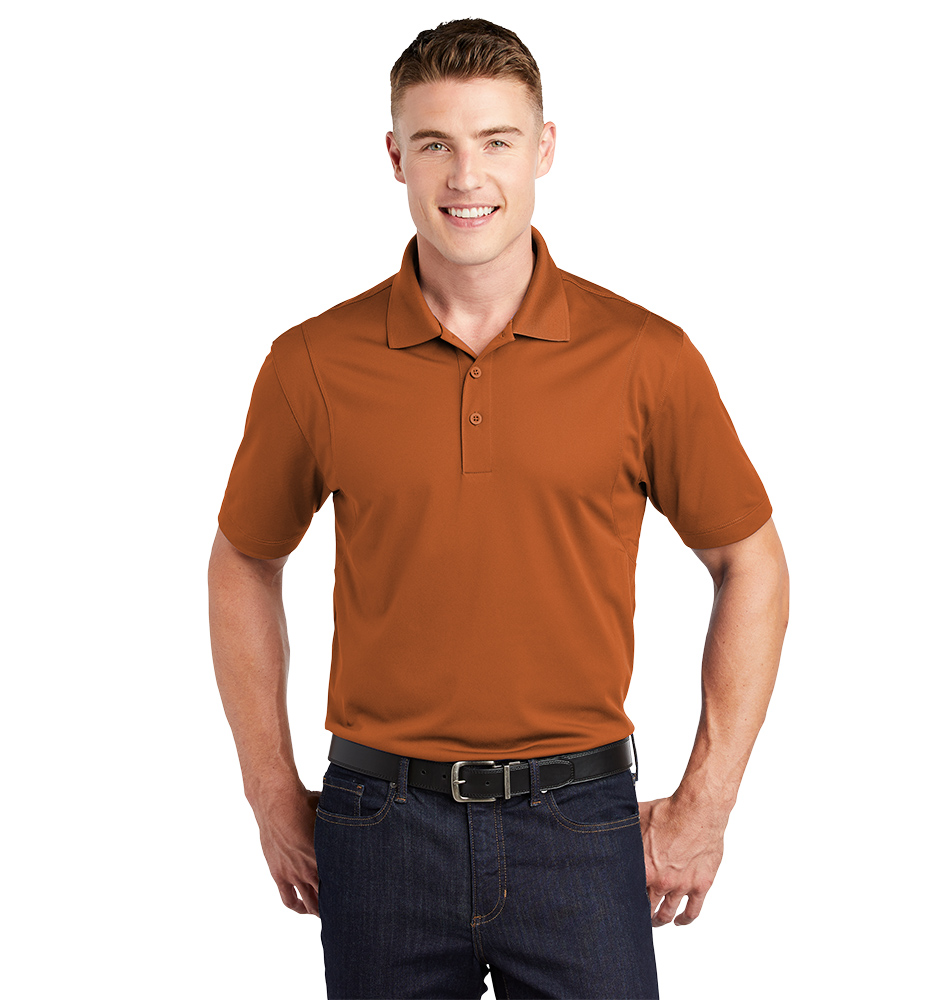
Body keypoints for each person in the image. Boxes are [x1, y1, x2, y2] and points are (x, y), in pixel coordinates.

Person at [208, 18, 789, 1000]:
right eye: (435, 142)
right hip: (379, 821)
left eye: (496, 140)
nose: (466, 176)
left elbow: (752, 563)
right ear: (395, 156)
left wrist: (706, 802)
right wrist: (270, 793)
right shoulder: (313, 362)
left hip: (580, 817)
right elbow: (242, 561)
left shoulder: (645, 358)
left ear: (544, 148)